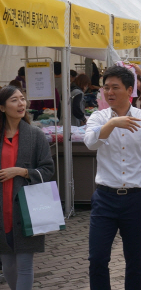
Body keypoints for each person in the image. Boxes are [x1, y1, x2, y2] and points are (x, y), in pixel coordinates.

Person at [84, 66, 141, 290]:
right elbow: (91, 142)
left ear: (130, 90)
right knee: (97, 258)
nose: (109, 92)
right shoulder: (98, 117)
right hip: (104, 198)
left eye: (115, 87)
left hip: (135, 199)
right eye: (106, 88)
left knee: (135, 259)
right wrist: (113, 123)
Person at [0, 86, 54, 290]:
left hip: (27, 208)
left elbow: (48, 170)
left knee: (24, 265)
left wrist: (20, 172)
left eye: (22, 99)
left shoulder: (35, 135)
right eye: (14, 100)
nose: (21, 103)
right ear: (2, 107)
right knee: (7, 265)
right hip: (1, 209)